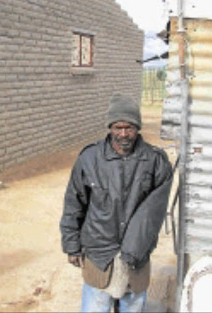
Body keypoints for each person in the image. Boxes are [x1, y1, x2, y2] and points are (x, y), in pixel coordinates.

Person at [60, 93, 174, 313]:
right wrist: (71, 245)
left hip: (137, 255)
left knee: (132, 306)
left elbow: (153, 212)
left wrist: (133, 248)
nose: (123, 134)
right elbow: (74, 203)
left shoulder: (155, 161)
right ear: (109, 127)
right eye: (117, 127)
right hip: (99, 253)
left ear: (138, 127)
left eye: (129, 127)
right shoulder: (89, 159)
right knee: (95, 305)